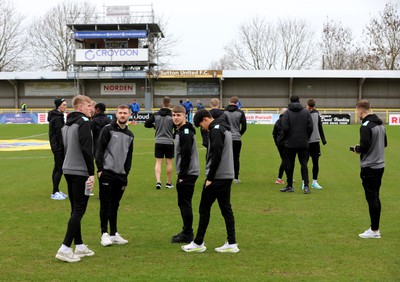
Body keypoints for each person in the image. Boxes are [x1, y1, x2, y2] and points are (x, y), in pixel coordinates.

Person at [182, 109, 239, 253]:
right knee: (226, 209)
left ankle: (198, 242)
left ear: (205, 119)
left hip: (218, 177)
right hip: (227, 175)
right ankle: (232, 242)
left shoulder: (216, 130)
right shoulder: (224, 128)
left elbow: (216, 154)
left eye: (201, 125)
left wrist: (210, 178)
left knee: (204, 209)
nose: (202, 129)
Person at [55, 95, 95, 263]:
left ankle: (79, 245)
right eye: (88, 105)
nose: (90, 108)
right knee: (79, 210)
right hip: (80, 171)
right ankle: (65, 248)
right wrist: (91, 173)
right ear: (80, 107)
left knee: (74, 209)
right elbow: (87, 149)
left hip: (68, 170)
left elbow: (63, 148)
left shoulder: (67, 124)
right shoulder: (84, 122)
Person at [95, 104, 134, 246]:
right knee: (105, 204)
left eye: (125, 113)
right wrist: (100, 169)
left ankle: (114, 233)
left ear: (129, 115)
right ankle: (104, 233)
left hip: (121, 175)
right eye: (120, 113)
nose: (122, 115)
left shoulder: (130, 135)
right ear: (116, 115)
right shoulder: (107, 130)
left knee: (115, 204)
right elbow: (99, 150)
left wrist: (126, 172)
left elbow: (129, 155)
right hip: (107, 173)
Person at [352, 100, 386, 239]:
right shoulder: (381, 124)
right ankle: (375, 228)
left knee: (371, 198)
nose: (357, 114)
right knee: (376, 196)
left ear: (361, 111)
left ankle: (374, 230)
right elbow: (385, 143)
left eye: (356, 112)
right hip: (380, 165)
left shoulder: (366, 126)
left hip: (369, 167)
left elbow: (364, 147)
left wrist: (357, 149)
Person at [170, 105, 200, 243]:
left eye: (178, 115)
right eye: (174, 115)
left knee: (185, 203)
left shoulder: (185, 132)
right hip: (186, 172)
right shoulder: (181, 130)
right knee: (182, 203)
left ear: (185, 116)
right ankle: (186, 230)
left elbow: (186, 154)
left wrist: (182, 175)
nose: (175, 118)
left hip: (188, 173)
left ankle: (188, 233)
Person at [280, 95, 313, 194]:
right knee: (304, 164)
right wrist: (306, 137)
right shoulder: (306, 112)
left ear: (290, 101)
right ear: (299, 101)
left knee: (290, 165)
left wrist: (286, 138)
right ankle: (306, 187)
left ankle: (290, 186)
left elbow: (285, 128)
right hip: (303, 142)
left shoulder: (287, 113)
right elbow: (310, 127)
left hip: (290, 142)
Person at [144, 96, 175, 189]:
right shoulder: (172, 115)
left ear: (162, 103)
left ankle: (158, 181)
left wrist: (154, 126)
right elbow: (177, 127)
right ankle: (168, 183)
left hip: (158, 141)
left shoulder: (156, 115)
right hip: (169, 141)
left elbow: (146, 124)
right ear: (169, 104)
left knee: (158, 162)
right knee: (169, 163)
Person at [48, 98, 68, 200]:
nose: (66, 106)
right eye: (64, 105)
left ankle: (56, 190)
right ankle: (55, 192)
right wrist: (62, 147)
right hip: (58, 147)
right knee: (59, 169)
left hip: (57, 146)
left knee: (58, 168)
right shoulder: (57, 118)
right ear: (59, 106)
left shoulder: (58, 116)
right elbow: (60, 134)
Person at [224, 96, 247, 183]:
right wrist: (239, 134)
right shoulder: (240, 113)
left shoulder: (224, 112)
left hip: (226, 137)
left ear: (229, 102)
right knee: (236, 158)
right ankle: (235, 177)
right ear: (237, 103)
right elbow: (244, 127)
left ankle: (226, 176)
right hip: (236, 138)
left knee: (226, 157)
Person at [306, 99, 327, 189]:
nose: (309, 108)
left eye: (311, 107)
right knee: (304, 163)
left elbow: (319, 126)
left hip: (315, 141)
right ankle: (304, 182)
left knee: (315, 162)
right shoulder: (303, 113)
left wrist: (323, 139)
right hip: (306, 142)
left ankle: (314, 182)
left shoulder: (316, 113)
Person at [272, 108, 288, 185]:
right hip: (286, 143)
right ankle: (279, 178)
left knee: (284, 160)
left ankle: (289, 176)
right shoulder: (287, 121)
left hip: (279, 143)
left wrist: (276, 142)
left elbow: (274, 134)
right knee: (286, 160)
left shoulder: (277, 121)